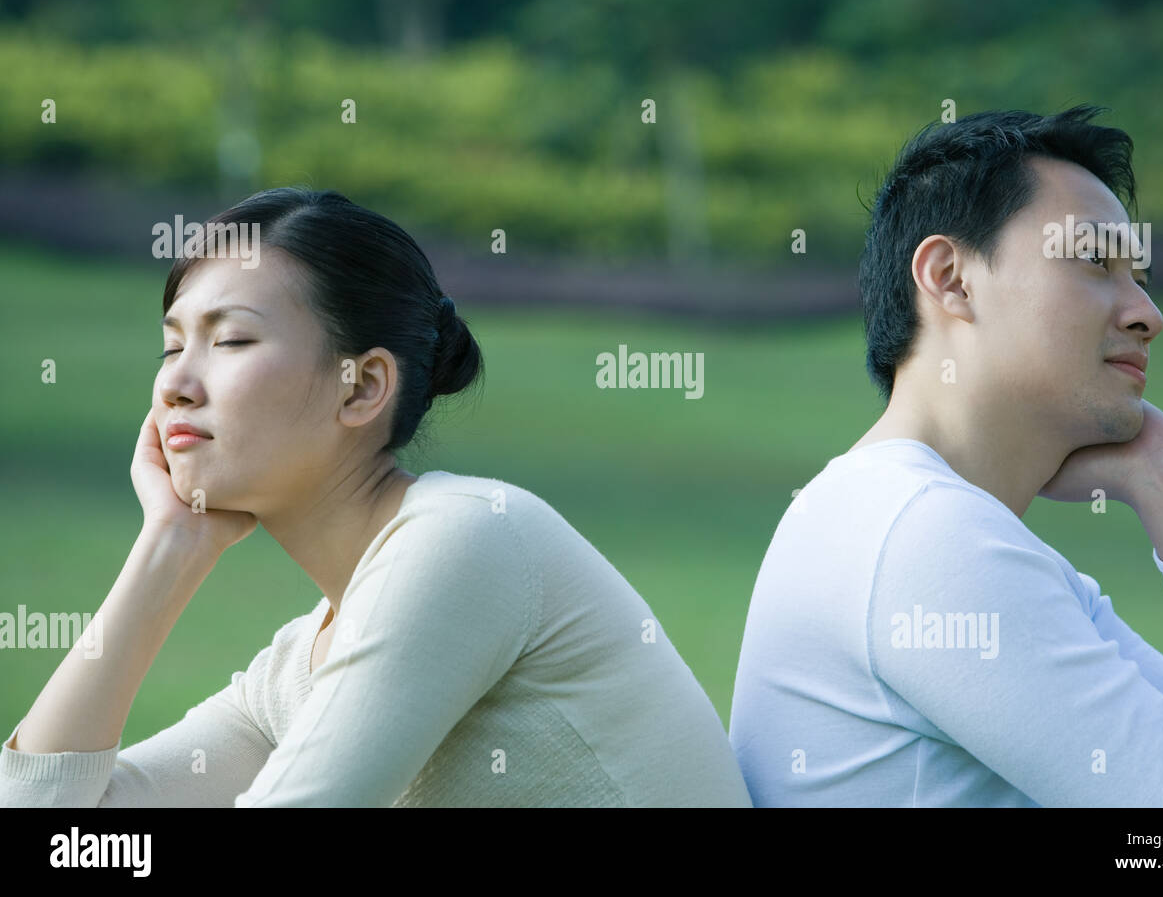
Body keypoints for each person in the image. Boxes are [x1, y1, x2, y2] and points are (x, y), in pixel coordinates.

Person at [0, 188, 752, 807]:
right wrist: (167, 547)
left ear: (360, 386)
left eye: (229, 341)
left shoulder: (468, 539)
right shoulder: (297, 668)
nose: (174, 384)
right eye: (171, 346)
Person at [728, 106, 1163, 806]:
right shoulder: (922, 536)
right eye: (1095, 260)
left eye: (1140, 277)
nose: (1148, 314)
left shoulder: (913, 520)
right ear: (951, 278)